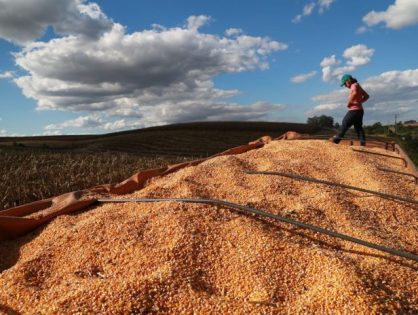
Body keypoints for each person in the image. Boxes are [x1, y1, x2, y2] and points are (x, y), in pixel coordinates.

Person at [333, 74, 369, 146]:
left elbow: (355, 93)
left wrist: (349, 102)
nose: (345, 86)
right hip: (360, 111)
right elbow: (367, 96)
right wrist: (359, 102)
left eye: (345, 84)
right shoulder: (358, 85)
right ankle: (362, 143)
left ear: (348, 81)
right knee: (358, 127)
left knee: (345, 123)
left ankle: (336, 141)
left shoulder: (354, 85)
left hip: (354, 111)